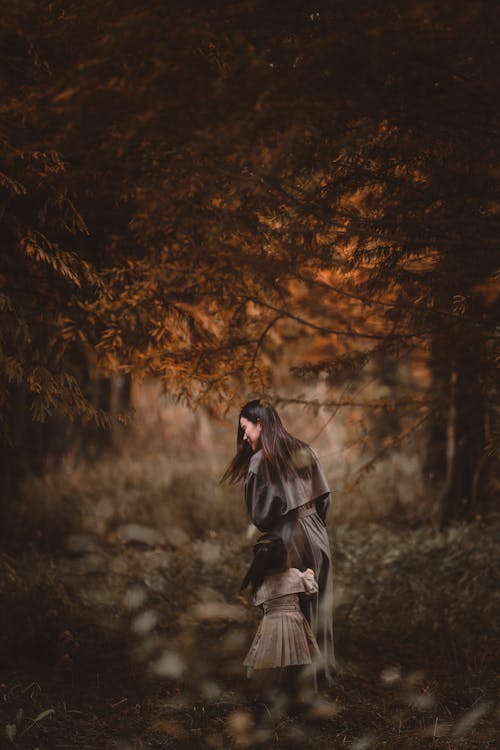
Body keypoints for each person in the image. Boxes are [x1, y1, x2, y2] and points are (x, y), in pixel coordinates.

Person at [223, 399, 335, 685]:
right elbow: (325, 498)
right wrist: (315, 525)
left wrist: (285, 526)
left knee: (293, 606)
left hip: (290, 536)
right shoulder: (304, 449)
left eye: (245, 428)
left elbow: (260, 516)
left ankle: (299, 688)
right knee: (319, 603)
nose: (244, 436)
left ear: (259, 423)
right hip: (318, 533)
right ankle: (322, 678)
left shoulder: (261, 460)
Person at [241, 533, 321, 679]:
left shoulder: (259, 583)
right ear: (284, 557)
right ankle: (293, 689)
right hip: (293, 623)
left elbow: (259, 604)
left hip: (269, 625)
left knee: (271, 658)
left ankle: (270, 689)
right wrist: (309, 574)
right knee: (295, 659)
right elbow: (313, 592)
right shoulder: (295, 575)